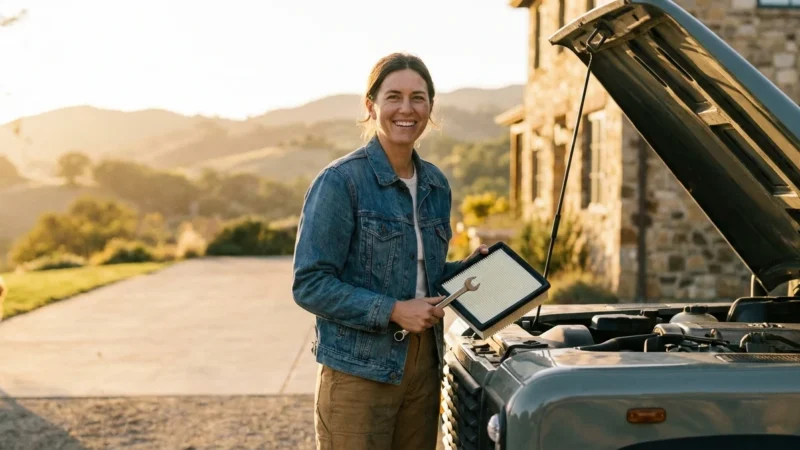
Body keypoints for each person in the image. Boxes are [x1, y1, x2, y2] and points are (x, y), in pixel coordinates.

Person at [292, 52, 487, 450]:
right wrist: (395, 310)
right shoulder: (340, 182)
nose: (406, 108)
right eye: (393, 96)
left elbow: (417, 273)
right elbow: (310, 284)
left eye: (418, 97)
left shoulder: (436, 184)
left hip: (424, 366)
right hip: (358, 369)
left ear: (430, 107)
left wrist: (465, 271)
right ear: (371, 106)